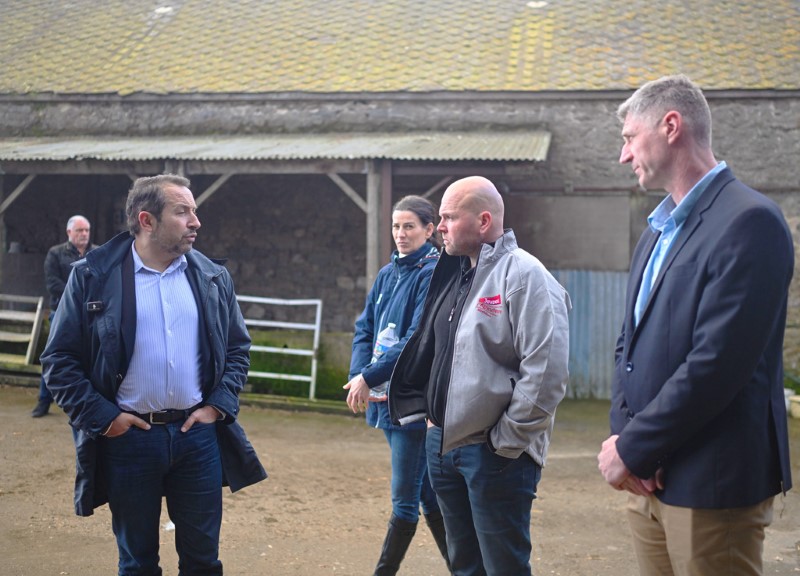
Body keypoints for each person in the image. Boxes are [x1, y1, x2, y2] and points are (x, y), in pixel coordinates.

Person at [597, 75, 794, 575]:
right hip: (648, 481)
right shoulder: (656, 231)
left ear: (670, 126)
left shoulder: (751, 222)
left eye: (628, 137)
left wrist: (636, 448)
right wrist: (630, 446)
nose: (623, 157)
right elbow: (629, 346)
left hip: (712, 484)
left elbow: (717, 363)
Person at [40, 174, 267, 575]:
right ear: (147, 220)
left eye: (194, 210)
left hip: (196, 438)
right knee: (137, 563)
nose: (196, 221)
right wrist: (105, 419)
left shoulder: (212, 277)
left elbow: (237, 349)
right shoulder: (91, 276)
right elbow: (59, 361)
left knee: (202, 562)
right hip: (128, 441)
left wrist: (217, 406)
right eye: (182, 212)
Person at [388, 176, 571, 575]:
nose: (439, 227)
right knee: (465, 568)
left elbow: (547, 372)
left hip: (495, 454)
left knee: (503, 567)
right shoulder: (454, 274)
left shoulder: (525, 275)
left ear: (484, 221)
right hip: (444, 447)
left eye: (449, 217)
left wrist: (506, 442)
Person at [344, 195, 450, 575]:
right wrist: (360, 375)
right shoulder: (388, 273)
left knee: (404, 499)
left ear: (429, 229)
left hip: (412, 401)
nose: (401, 234)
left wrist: (369, 376)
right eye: (396, 226)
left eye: (409, 226)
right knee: (426, 494)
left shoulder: (434, 272)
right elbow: (364, 327)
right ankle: (467, 568)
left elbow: (417, 337)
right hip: (381, 398)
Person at [31, 214, 97, 418]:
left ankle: (90, 403)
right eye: (79, 230)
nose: (84, 234)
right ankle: (43, 401)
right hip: (62, 314)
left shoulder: (98, 253)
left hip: (92, 315)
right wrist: (80, 296)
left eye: (86, 230)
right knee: (55, 357)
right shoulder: (56, 253)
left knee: (94, 358)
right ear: (69, 232)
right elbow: (53, 284)